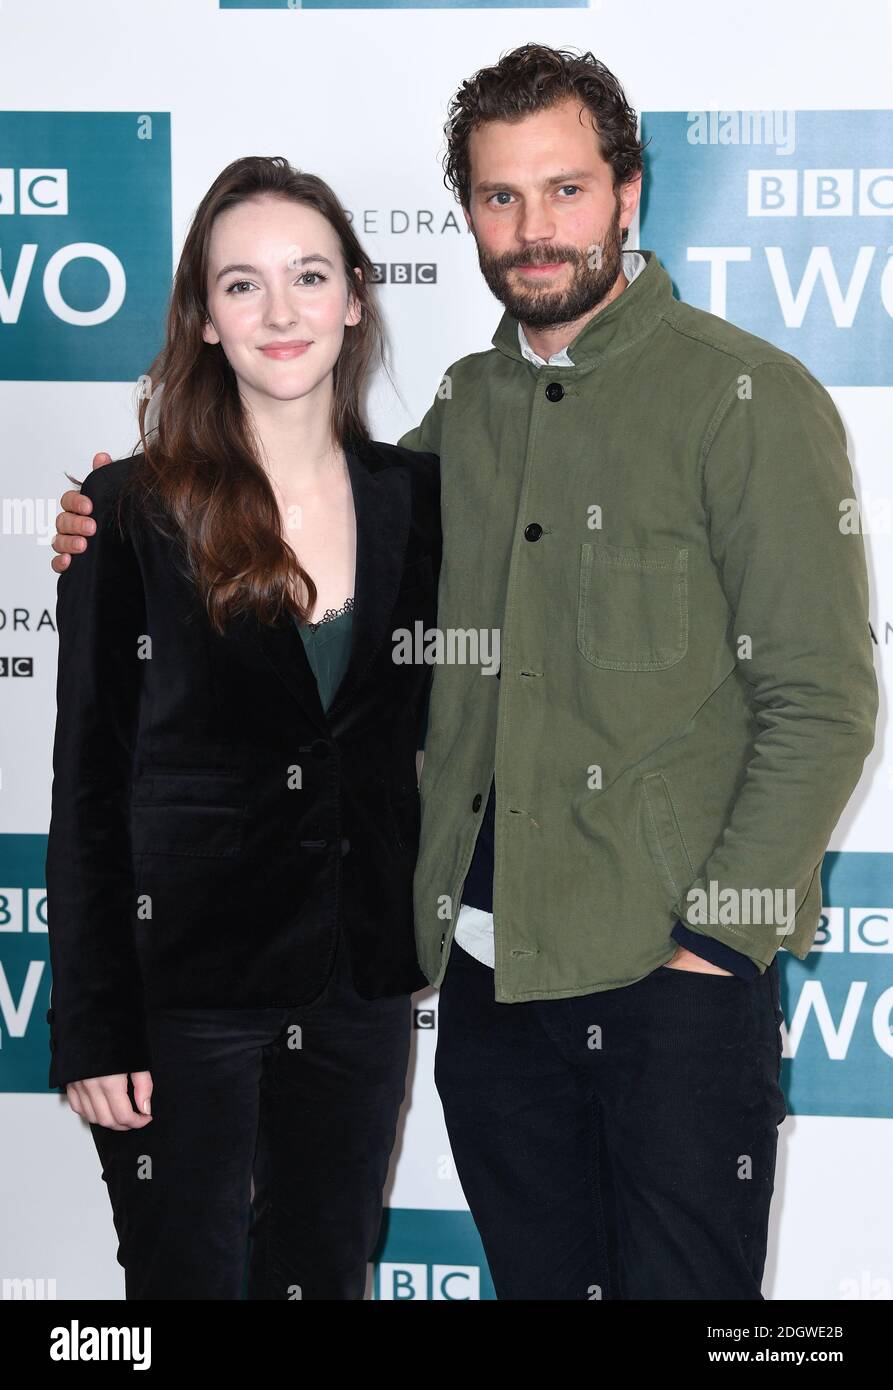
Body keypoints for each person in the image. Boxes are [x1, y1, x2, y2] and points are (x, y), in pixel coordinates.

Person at [53, 45, 879, 1302]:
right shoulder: (462, 413)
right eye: (499, 197)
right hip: (488, 995)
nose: (533, 229)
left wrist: (717, 942)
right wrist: (116, 513)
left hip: (671, 991)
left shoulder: (744, 397)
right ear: (466, 216)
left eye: (563, 190)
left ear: (627, 195)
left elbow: (823, 700)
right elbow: (304, 526)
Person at [44, 154, 440, 1300]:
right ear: (203, 318)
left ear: (355, 298)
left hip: (357, 987)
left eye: (309, 277)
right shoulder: (126, 513)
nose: (280, 312)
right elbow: (86, 783)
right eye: (241, 285)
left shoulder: (420, 501)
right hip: (181, 999)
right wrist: (94, 1027)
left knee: (324, 1277)